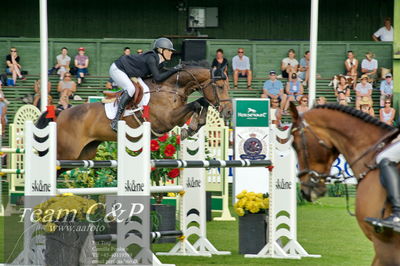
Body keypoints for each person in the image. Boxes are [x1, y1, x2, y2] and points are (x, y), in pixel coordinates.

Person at [109, 37, 182, 131]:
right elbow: (158, 78)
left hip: (131, 73)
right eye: (169, 50)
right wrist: (175, 69)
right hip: (118, 68)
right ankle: (116, 120)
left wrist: (177, 70)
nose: (171, 52)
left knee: (146, 90)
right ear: (161, 50)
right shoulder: (151, 58)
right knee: (131, 89)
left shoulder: (160, 63)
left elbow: (164, 73)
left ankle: (140, 114)